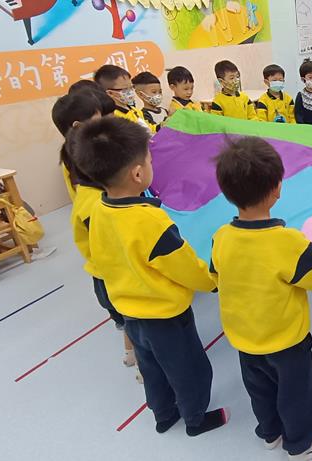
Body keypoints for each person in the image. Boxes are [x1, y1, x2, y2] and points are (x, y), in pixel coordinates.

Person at [69, 117, 228, 436]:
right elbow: (182, 265)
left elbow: (99, 256)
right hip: (165, 316)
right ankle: (196, 419)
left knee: (152, 369)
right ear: (138, 173)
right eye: (150, 160)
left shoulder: (98, 210)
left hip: (130, 313)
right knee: (188, 369)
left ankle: (163, 415)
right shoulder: (150, 221)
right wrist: (212, 282)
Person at [211, 136, 312, 460]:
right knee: (297, 395)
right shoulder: (289, 243)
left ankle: (270, 433)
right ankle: (301, 444)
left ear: (225, 191)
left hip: (244, 339)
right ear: (277, 188)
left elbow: (216, 276)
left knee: (259, 390)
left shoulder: (221, 238)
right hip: (286, 342)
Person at [52, 93, 140, 377]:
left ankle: (131, 353)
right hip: (114, 275)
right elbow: (110, 245)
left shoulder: (89, 184)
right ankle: (143, 365)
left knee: (130, 321)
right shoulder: (97, 205)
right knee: (134, 320)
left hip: (109, 272)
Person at [51, 90, 102, 200]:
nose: (104, 126)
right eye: (98, 122)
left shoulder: (73, 151)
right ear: (78, 126)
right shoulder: (82, 157)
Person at [93, 64, 156, 133]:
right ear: (110, 93)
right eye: (126, 89)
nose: (131, 91)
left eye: (131, 87)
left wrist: (159, 127)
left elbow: (149, 128)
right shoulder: (114, 118)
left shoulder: (132, 109)